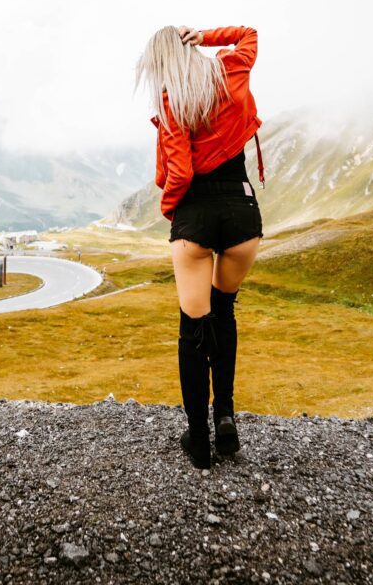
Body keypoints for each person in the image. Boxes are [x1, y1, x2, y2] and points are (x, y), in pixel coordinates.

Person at [135, 24, 265, 470]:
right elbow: (248, 34)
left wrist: (171, 210)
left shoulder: (174, 101)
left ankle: (198, 440)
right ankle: (225, 416)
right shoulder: (231, 69)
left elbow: (181, 172)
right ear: (189, 49)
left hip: (197, 216)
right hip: (243, 212)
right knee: (224, 312)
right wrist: (206, 35)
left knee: (193, 331)